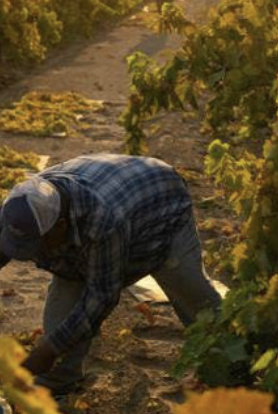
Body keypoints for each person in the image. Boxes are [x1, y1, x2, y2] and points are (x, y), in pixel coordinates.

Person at [0, 154, 222, 397]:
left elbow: (102, 296)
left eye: (35, 245)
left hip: (162, 207)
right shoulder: (19, 208)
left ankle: (232, 365)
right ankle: (57, 385)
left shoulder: (103, 220)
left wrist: (49, 350)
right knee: (59, 321)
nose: (30, 254)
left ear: (60, 226)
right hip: (103, 213)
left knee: (195, 298)